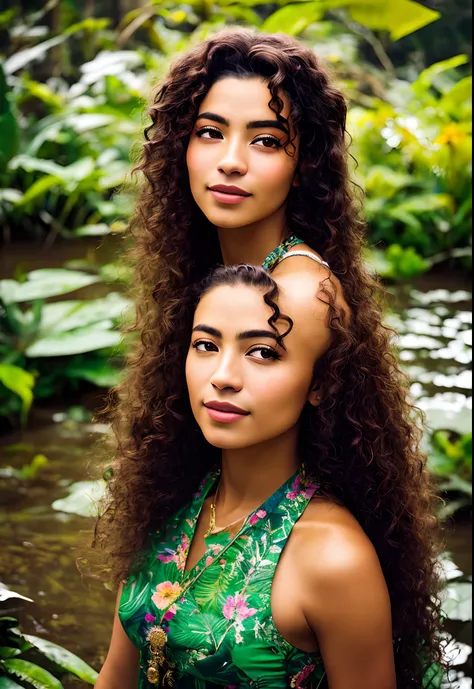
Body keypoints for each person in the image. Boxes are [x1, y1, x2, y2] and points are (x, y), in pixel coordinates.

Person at [93, 29, 443, 688]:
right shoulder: (211, 263)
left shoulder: (299, 288)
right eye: (209, 132)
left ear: (302, 162)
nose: (230, 161)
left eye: (265, 139)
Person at [95, 265, 441, 689]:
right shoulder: (168, 498)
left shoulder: (334, 558)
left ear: (321, 383)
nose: (222, 376)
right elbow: (116, 676)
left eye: (262, 352)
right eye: (205, 345)